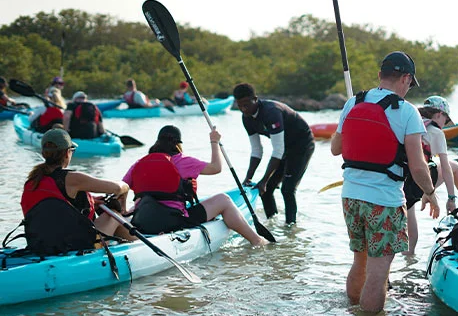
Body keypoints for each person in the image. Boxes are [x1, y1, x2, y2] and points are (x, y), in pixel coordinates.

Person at [330, 51, 441, 312]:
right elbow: (417, 165)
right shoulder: (407, 112)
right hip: (384, 201)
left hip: (350, 197)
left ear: (380, 75)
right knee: (378, 273)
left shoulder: (353, 103)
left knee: (360, 262)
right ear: (406, 78)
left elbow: (336, 148)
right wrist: (430, 192)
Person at [122, 125, 268, 246]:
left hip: (142, 220)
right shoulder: (183, 160)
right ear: (178, 144)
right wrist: (214, 142)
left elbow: (121, 187)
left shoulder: (140, 163)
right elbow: (216, 168)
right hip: (173, 222)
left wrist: (124, 209)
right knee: (224, 200)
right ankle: (257, 241)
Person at [20, 128, 132, 256]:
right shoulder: (73, 179)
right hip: (75, 246)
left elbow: (53, 212)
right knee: (113, 216)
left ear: (43, 153)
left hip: (40, 244)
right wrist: (126, 186)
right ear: (67, 153)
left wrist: (91, 202)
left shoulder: (32, 181)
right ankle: (137, 246)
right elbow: (117, 188)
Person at [233, 83, 315, 227]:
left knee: (287, 189)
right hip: (283, 148)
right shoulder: (246, 118)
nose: (243, 109)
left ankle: (290, 228)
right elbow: (257, 150)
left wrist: (264, 179)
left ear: (255, 99)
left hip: (301, 145)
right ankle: (272, 222)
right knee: (265, 190)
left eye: (246, 104)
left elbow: (277, 150)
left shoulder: (271, 112)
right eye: (239, 105)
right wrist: (248, 177)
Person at [404, 95, 458, 254]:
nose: (445, 124)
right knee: (453, 166)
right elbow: (446, 168)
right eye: (446, 119)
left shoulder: (410, 123)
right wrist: (451, 198)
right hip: (418, 181)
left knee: (410, 209)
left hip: (403, 182)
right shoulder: (436, 132)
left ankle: (409, 255)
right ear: (438, 115)